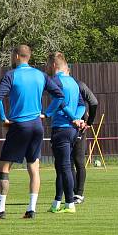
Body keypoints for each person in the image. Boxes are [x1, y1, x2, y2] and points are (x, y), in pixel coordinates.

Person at [0, 45, 65, 221]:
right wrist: (47, 114)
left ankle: (0, 210)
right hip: (37, 126)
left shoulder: (11, 75)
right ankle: (31, 210)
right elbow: (59, 96)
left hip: (20, 126)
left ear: (17, 56)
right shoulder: (40, 75)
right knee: (34, 168)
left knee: (3, 167)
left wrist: (3, 118)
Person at [45, 52, 86, 214]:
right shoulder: (74, 82)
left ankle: (69, 204)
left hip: (61, 127)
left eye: (47, 65)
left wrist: (71, 117)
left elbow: (60, 101)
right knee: (61, 166)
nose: (46, 68)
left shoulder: (55, 80)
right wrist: (77, 118)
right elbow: (82, 104)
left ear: (54, 65)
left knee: (64, 167)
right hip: (72, 130)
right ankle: (56, 202)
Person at [71, 76, 99, 204]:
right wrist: (89, 122)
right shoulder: (79, 84)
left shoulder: (58, 84)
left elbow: (93, 102)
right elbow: (93, 102)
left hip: (66, 127)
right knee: (76, 161)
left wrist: (89, 122)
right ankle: (77, 194)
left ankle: (76, 193)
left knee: (71, 162)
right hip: (79, 125)